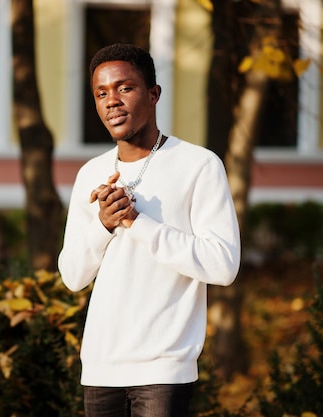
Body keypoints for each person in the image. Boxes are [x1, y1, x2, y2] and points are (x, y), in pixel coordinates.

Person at [57, 43, 241, 417]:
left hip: (164, 368)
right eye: (101, 93)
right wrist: (104, 224)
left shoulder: (198, 165)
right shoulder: (89, 174)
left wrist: (138, 223)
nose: (112, 101)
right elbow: (72, 276)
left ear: (153, 94)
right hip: (100, 367)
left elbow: (223, 265)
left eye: (125, 88)